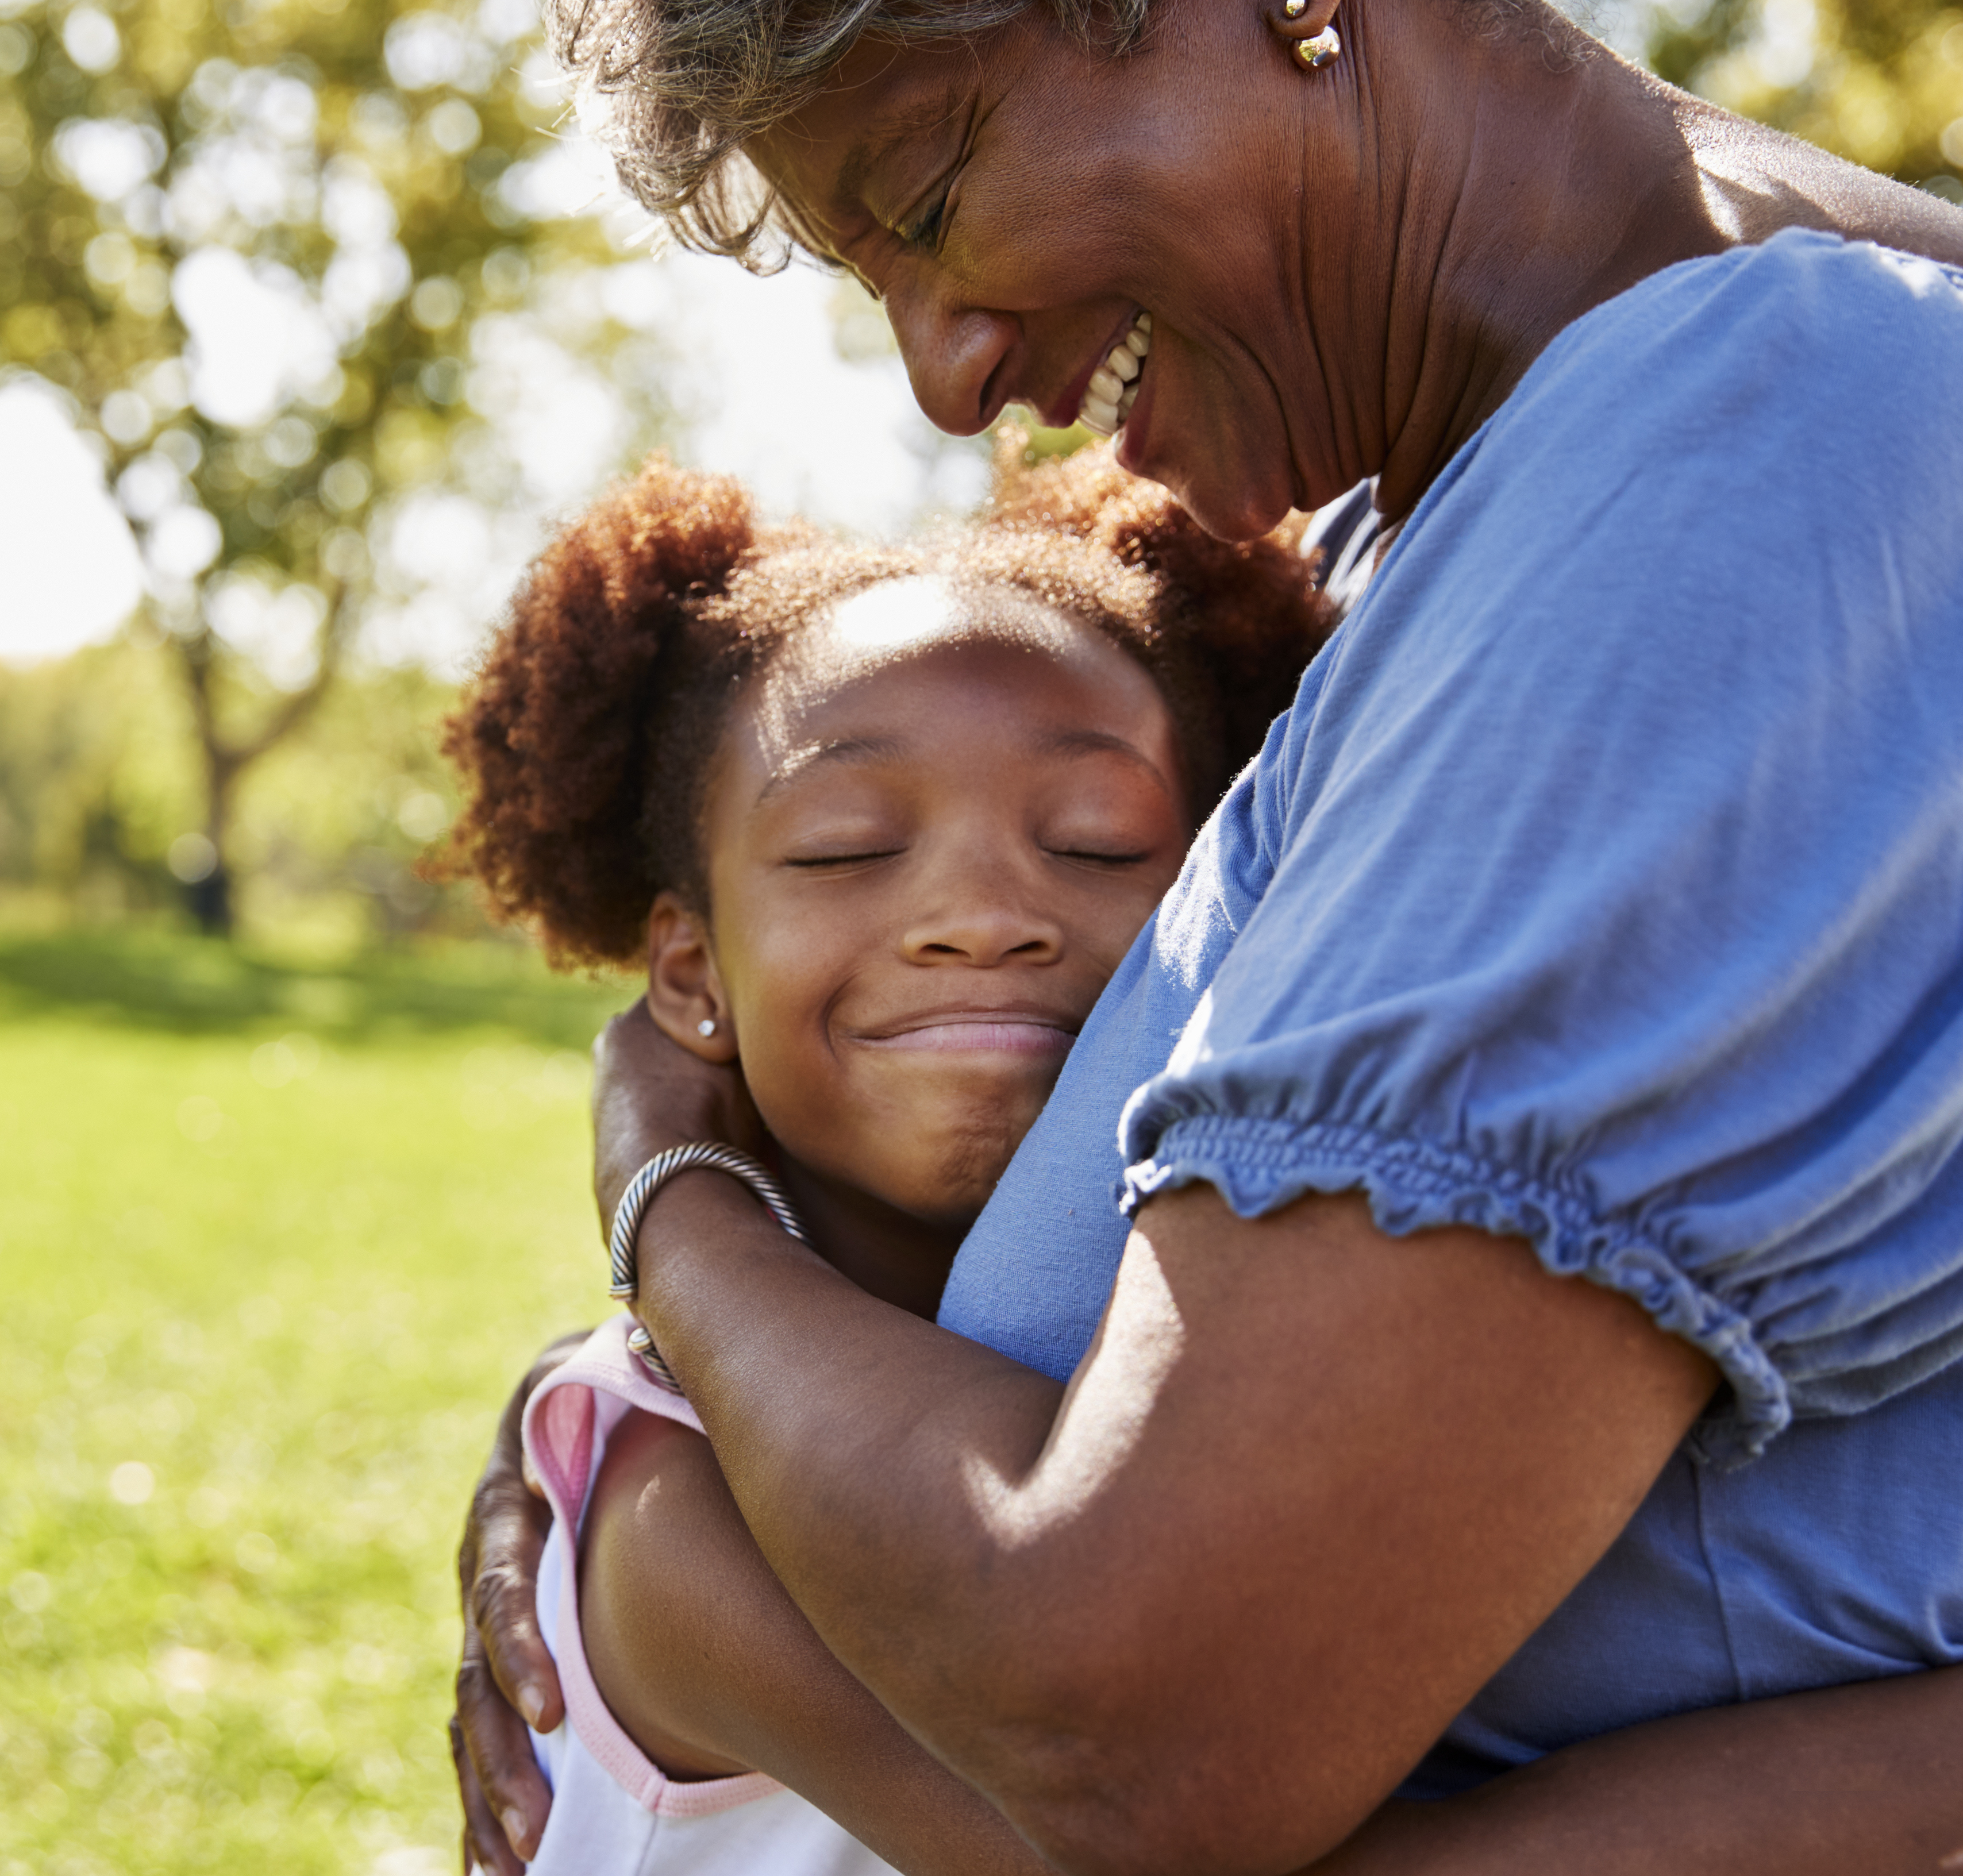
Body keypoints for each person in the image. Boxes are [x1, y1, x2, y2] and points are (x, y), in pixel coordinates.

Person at [447, 0, 1963, 1870]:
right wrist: (616, 1426)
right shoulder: (1377, 554)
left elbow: (1131, 1731)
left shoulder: (1745, 454)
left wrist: (660, 1184)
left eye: (926, 198)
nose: (940, 376)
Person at [437, 448, 1330, 1872]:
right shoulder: (678, 1507)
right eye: (850, 847)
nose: (981, 915)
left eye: (1098, 843)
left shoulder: (1207, 1332)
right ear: (688, 967)